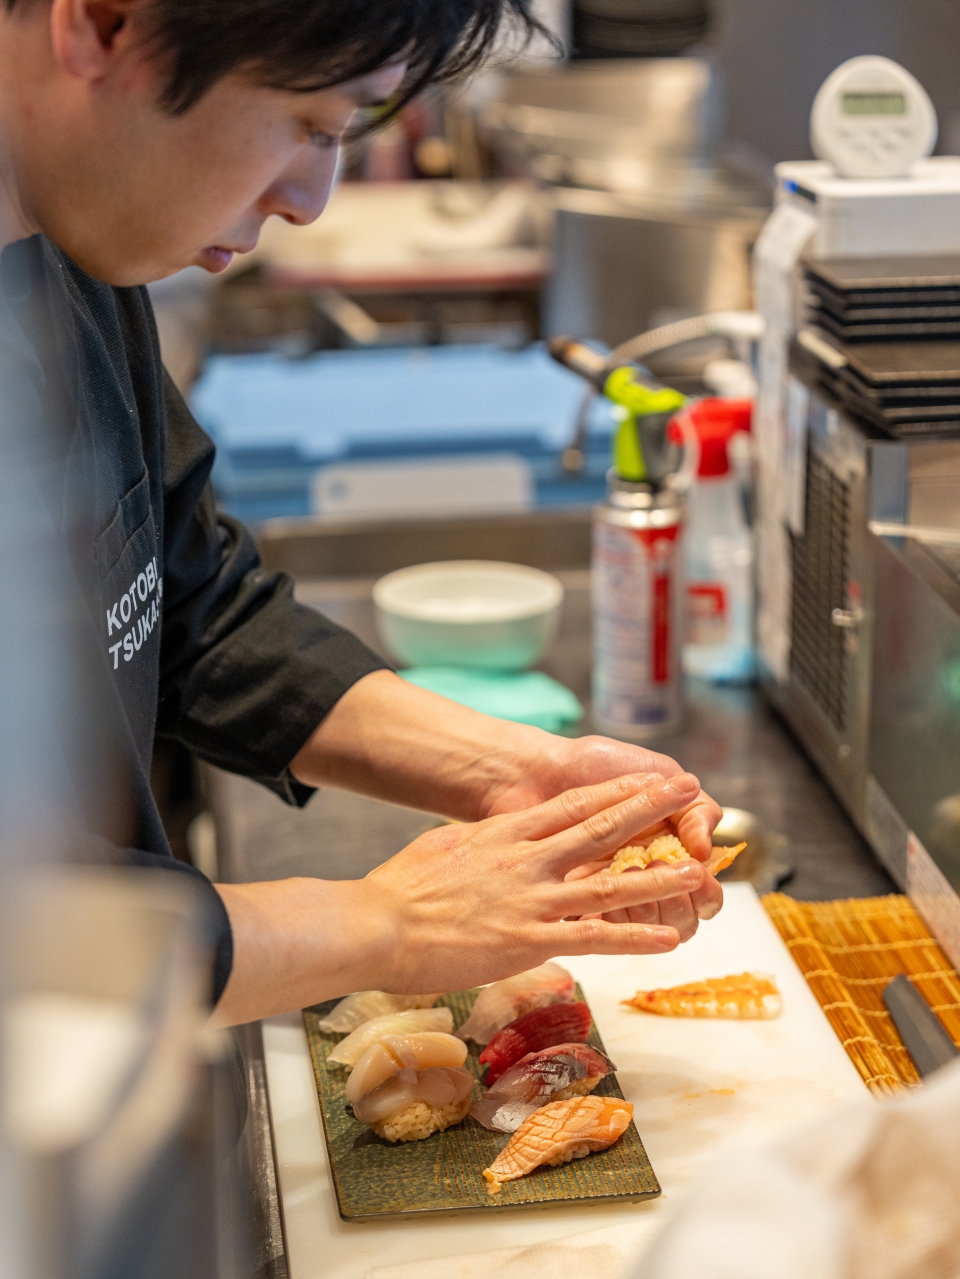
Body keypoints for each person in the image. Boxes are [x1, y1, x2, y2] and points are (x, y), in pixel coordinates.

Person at [0, 0, 723, 1027]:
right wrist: (392, 923)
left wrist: (521, 770)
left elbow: (190, 600)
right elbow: (38, 931)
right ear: (109, 24)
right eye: (317, 125)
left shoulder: (66, 244)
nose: (311, 197)